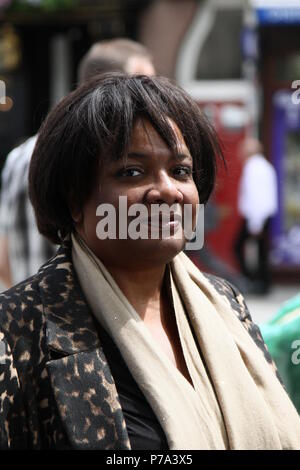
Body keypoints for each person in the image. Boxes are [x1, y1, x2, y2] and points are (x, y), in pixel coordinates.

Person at [0, 74, 300, 450]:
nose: (167, 191)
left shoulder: (225, 302)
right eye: (131, 172)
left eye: (180, 171)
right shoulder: (17, 331)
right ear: (75, 198)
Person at [0, 38, 155, 288]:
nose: (152, 96)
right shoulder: (101, 155)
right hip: (82, 320)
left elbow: (3, 258)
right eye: (142, 83)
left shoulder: (20, 155)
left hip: (28, 314)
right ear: (109, 86)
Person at [234, 137, 278, 294]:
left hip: (256, 216)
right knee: (261, 250)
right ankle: (261, 283)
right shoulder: (264, 166)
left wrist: (255, 222)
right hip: (261, 216)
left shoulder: (253, 167)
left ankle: (253, 280)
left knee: (238, 246)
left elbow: (257, 196)